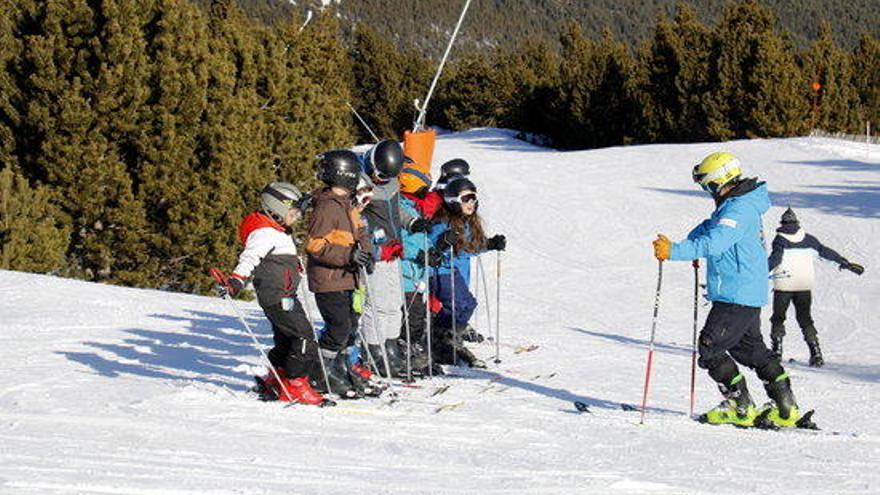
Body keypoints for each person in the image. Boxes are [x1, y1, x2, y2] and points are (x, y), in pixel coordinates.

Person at [652, 152, 801, 427]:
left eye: (708, 185)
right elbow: (711, 229)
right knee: (751, 351)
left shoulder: (738, 209)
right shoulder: (737, 205)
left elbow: (717, 241)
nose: (708, 191)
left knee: (710, 348)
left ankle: (741, 406)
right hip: (744, 293)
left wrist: (675, 251)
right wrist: (689, 242)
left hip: (736, 294)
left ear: (719, 182)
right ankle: (785, 406)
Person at [220, 182, 330, 406]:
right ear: (276, 210)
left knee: (286, 339)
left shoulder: (276, 229)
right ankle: (296, 383)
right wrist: (236, 280)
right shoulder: (264, 233)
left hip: (284, 294)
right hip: (279, 296)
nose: (297, 217)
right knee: (304, 337)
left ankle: (276, 379)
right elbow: (250, 258)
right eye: (293, 213)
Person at [358, 140, 433, 378]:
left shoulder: (391, 183)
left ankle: (390, 348)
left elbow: (396, 211)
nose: (382, 180)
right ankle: (373, 352)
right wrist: (369, 247)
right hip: (376, 254)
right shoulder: (360, 184)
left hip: (395, 250)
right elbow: (356, 220)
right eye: (379, 175)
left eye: (387, 176)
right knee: (377, 306)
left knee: (394, 305)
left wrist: (412, 221)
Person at [306, 150, 375, 399]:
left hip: (349, 277)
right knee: (339, 326)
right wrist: (348, 256)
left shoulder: (349, 204)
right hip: (328, 279)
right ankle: (321, 371)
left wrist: (367, 255)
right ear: (346, 174)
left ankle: (343, 368)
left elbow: (361, 234)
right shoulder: (326, 206)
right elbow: (315, 245)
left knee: (350, 326)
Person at [768, 207, 865, 366]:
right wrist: (844, 263)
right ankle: (816, 354)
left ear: (782, 223)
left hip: (784, 285)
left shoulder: (779, 239)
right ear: (797, 223)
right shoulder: (809, 239)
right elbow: (824, 253)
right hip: (803, 285)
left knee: (778, 318)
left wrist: (758, 273)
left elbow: (776, 260)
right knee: (805, 319)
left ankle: (777, 353)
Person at [429, 176, 506, 368]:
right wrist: (443, 243)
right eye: (466, 199)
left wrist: (490, 244)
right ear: (453, 202)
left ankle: (448, 337)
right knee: (459, 304)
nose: (471, 203)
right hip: (438, 271)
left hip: (451, 271)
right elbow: (431, 245)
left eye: (473, 199)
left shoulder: (466, 222)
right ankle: (441, 339)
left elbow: (470, 246)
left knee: (467, 304)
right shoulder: (442, 222)